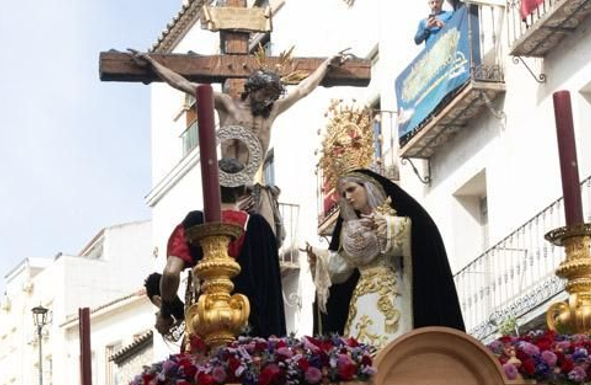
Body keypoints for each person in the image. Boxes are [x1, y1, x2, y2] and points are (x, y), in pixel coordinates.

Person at [134, 52, 336, 238]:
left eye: (271, 97)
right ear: (253, 88)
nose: (267, 101)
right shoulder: (227, 105)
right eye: (265, 94)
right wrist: (153, 65)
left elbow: (303, 89)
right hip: (227, 188)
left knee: (265, 241)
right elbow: (183, 84)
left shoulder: (272, 111)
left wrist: (326, 66)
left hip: (253, 190)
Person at [308, 168, 465, 347]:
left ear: (367, 187)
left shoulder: (392, 217)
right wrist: (320, 260)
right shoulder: (350, 229)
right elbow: (343, 268)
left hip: (392, 291)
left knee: (394, 343)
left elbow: (419, 237)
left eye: (352, 189)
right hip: (361, 299)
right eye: (344, 193)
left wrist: (388, 227)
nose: (348, 197)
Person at [158, 158, 287, 340]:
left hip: (209, 329)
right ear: (242, 190)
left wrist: (165, 311)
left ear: (209, 187)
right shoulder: (260, 227)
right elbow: (271, 291)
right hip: (256, 341)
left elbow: (170, 273)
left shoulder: (195, 222)